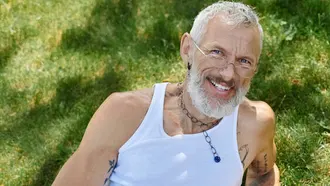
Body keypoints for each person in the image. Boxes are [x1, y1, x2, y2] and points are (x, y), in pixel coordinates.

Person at [52, 2, 279, 186]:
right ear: (187, 49)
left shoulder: (255, 124)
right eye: (217, 52)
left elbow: (264, 174)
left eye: (244, 61)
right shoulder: (125, 115)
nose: (229, 73)